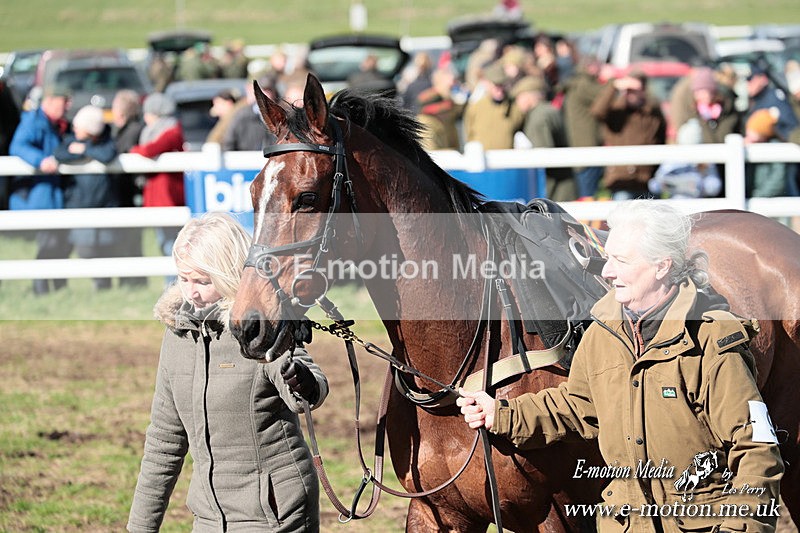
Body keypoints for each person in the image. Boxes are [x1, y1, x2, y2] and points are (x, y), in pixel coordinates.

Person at [457, 200, 784, 533]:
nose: (607, 271)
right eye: (608, 257)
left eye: (621, 261)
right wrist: (500, 414)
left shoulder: (711, 341)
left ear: (662, 266)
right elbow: (577, 406)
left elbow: (756, 449)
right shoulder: (602, 333)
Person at [127, 212, 328, 532]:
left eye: (202, 281)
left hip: (275, 515)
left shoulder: (260, 326)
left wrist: (300, 379)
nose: (190, 292)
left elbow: (312, 389)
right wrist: (140, 528)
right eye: (183, 278)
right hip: (208, 518)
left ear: (229, 274)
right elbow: (163, 442)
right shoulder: (177, 335)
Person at [9, 84, 72, 295]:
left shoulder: (56, 124)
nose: (67, 106)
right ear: (50, 101)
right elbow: (17, 146)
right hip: (41, 194)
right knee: (49, 242)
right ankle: (41, 289)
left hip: (53, 193)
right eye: (64, 101)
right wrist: (41, 160)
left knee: (60, 244)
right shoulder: (34, 122)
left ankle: (56, 288)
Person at [53, 105, 119, 290]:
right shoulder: (70, 140)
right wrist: (84, 150)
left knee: (106, 249)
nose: (74, 129)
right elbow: (59, 153)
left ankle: (104, 288)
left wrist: (83, 149)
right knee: (84, 249)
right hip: (79, 205)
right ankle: (94, 284)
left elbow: (107, 155)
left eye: (78, 126)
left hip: (104, 207)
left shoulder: (105, 141)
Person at [590, 70, 667, 199]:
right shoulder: (616, 111)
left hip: (647, 180)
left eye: (634, 89)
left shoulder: (652, 113)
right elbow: (597, 111)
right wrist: (613, 86)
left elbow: (661, 139)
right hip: (622, 180)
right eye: (628, 89)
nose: (630, 93)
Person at [130, 93, 185, 258]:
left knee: (170, 242)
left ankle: (174, 281)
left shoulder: (172, 131)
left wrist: (134, 151)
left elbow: (150, 149)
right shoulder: (153, 130)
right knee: (163, 241)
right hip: (156, 194)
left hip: (167, 195)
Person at [511, 75, 576, 201]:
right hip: (565, 183)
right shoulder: (549, 110)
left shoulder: (538, 117)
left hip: (555, 188)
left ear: (529, 97)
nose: (517, 102)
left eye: (519, 97)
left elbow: (542, 156)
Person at [111, 89, 147, 287]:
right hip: (125, 191)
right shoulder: (126, 129)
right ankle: (130, 280)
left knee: (130, 240)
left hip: (129, 192)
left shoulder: (131, 130)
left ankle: (132, 281)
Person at [562, 55, 605, 199]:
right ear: (590, 67)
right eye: (599, 66)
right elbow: (604, 94)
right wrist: (613, 81)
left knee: (586, 192)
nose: (601, 69)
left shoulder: (577, 83)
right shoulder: (584, 84)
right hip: (587, 147)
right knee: (588, 195)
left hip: (581, 145)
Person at [649, 119, 722, 199]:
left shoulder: (706, 160)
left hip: (699, 206)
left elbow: (715, 187)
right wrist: (673, 185)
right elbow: (654, 185)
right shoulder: (672, 159)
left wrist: (700, 185)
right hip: (675, 205)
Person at [463, 60, 523, 150]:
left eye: (502, 84)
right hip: (481, 160)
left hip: (507, 160)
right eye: (496, 85)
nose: (500, 89)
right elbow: (469, 135)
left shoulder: (515, 108)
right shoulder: (475, 107)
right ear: (486, 83)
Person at [744, 107, 795, 197]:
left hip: (771, 200)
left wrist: (759, 195)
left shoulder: (775, 148)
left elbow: (778, 178)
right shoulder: (747, 147)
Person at [415, 65, 465, 151]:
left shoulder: (451, 108)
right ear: (439, 83)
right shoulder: (427, 114)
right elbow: (431, 152)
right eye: (450, 83)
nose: (454, 85)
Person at [223, 77, 276, 152]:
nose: (266, 94)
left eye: (269, 91)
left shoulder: (280, 116)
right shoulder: (242, 115)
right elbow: (228, 143)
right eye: (263, 90)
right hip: (246, 161)